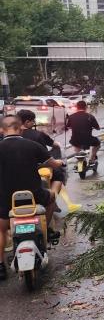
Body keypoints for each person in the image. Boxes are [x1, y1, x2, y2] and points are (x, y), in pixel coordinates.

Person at [0, 116, 64, 280]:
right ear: (20, 128)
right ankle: (45, 233)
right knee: (51, 197)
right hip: (35, 197)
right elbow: (53, 164)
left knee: (0, 229)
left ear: (1, 130)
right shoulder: (32, 146)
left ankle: (1, 265)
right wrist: (59, 162)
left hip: (5, 200)